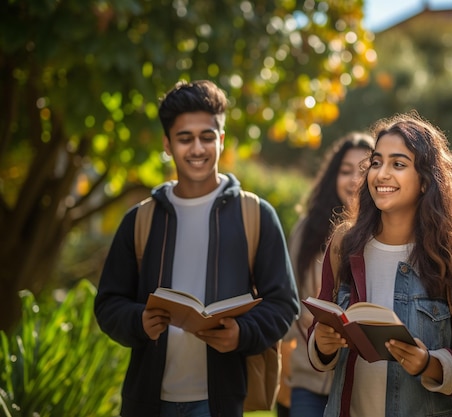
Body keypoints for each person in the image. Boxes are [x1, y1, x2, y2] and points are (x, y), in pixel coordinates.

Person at [94, 80, 299, 417]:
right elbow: (108, 303)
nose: (198, 149)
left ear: (220, 139)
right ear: (167, 143)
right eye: (184, 138)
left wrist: (242, 334)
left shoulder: (256, 215)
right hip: (147, 402)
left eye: (207, 137)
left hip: (219, 403)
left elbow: (283, 303)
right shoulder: (140, 219)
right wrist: (138, 322)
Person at [308, 111, 452, 417]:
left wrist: (429, 363)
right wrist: (322, 343)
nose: (381, 174)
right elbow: (320, 335)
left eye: (398, 164)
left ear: (425, 180)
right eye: (377, 162)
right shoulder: (344, 245)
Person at [279, 132, 375, 417]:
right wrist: (286, 359)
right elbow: (289, 297)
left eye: (363, 171)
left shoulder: (383, 236)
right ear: (333, 175)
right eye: (345, 171)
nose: (354, 180)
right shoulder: (306, 230)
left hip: (361, 379)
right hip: (307, 374)